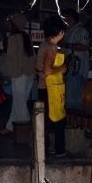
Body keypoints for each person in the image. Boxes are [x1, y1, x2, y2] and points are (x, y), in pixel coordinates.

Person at [36, 15, 67, 157]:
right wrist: (61, 69)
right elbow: (48, 71)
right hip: (50, 88)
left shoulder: (45, 45)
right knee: (57, 119)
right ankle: (59, 149)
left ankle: (46, 148)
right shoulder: (51, 48)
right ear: (59, 32)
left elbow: (39, 67)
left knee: (47, 121)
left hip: (44, 87)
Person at [0, 12, 36, 132]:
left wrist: (6, 74)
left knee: (19, 103)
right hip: (29, 73)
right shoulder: (26, 36)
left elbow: (10, 58)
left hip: (18, 73)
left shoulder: (12, 38)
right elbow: (31, 57)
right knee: (20, 102)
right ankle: (10, 127)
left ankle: (26, 129)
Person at [60, 8, 89, 109]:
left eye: (65, 19)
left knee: (73, 100)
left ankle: (75, 122)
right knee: (69, 99)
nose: (63, 22)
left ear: (70, 19)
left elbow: (84, 46)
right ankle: (73, 123)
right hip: (69, 70)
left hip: (76, 70)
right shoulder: (68, 31)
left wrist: (67, 45)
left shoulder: (81, 30)